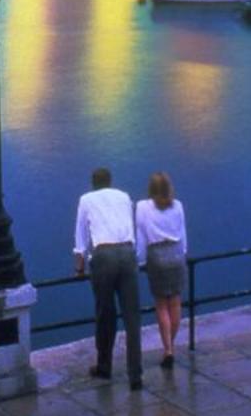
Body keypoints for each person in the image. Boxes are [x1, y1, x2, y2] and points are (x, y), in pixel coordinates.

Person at [72, 165, 143, 388]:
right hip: (127, 253)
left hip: (103, 257)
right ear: (110, 181)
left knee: (105, 313)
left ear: (93, 183)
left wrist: (80, 267)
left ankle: (105, 367)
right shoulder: (124, 197)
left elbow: (81, 235)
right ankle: (135, 375)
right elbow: (131, 226)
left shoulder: (86, 199)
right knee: (132, 317)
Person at [135, 171, 188, 369]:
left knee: (161, 304)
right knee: (175, 302)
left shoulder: (142, 207)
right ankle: (171, 345)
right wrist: (183, 253)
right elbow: (183, 233)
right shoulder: (178, 206)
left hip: (156, 257)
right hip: (176, 254)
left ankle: (167, 349)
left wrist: (140, 261)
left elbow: (141, 237)